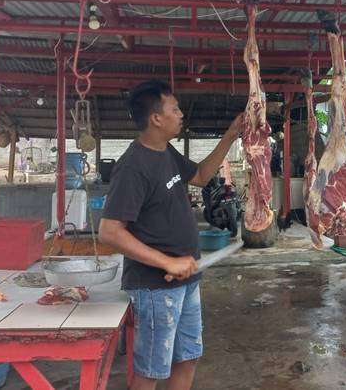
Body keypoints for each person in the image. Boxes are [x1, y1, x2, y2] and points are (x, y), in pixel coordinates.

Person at [98, 79, 244, 390]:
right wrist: (166, 262)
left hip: (187, 279)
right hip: (155, 288)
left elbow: (203, 176)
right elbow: (109, 231)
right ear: (156, 118)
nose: (181, 115)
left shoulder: (165, 152)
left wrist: (231, 136)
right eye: (174, 109)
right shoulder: (133, 166)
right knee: (152, 369)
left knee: (188, 356)